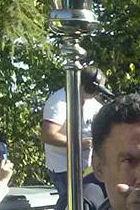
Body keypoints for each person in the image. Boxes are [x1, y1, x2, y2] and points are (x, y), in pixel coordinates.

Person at [41, 66, 107, 197]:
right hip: (63, 169)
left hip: (88, 167)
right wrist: (79, 143)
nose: (94, 94)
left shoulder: (94, 104)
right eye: (92, 90)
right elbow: (48, 135)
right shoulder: (59, 102)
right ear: (81, 85)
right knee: (70, 208)